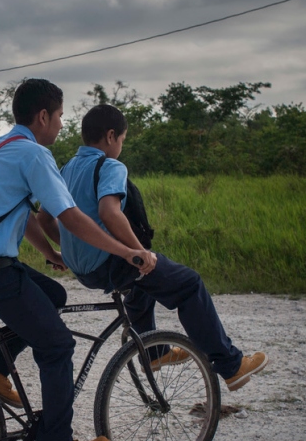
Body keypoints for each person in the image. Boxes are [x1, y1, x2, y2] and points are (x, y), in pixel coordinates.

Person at [0, 80, 156, 441]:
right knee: (58, 345)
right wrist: (126, 251)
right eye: (59, 116)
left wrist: (50, 254)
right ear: (43, 116)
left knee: (53, 295)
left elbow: (24, 215)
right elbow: (73, 216)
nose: (61, 125)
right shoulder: (34, 154)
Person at [45, 103, 268, 391]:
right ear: (111, 136)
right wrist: (139, 252)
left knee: (140, 286)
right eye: (123, 140)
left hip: (83, 270)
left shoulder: (67, 168)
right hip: (110, 264)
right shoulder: (110, 165)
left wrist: (73, 248)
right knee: (188, 284)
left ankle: (154, 353)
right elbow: (109, 212)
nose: (121, 147)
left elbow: (44, 218)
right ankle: (231, 366)